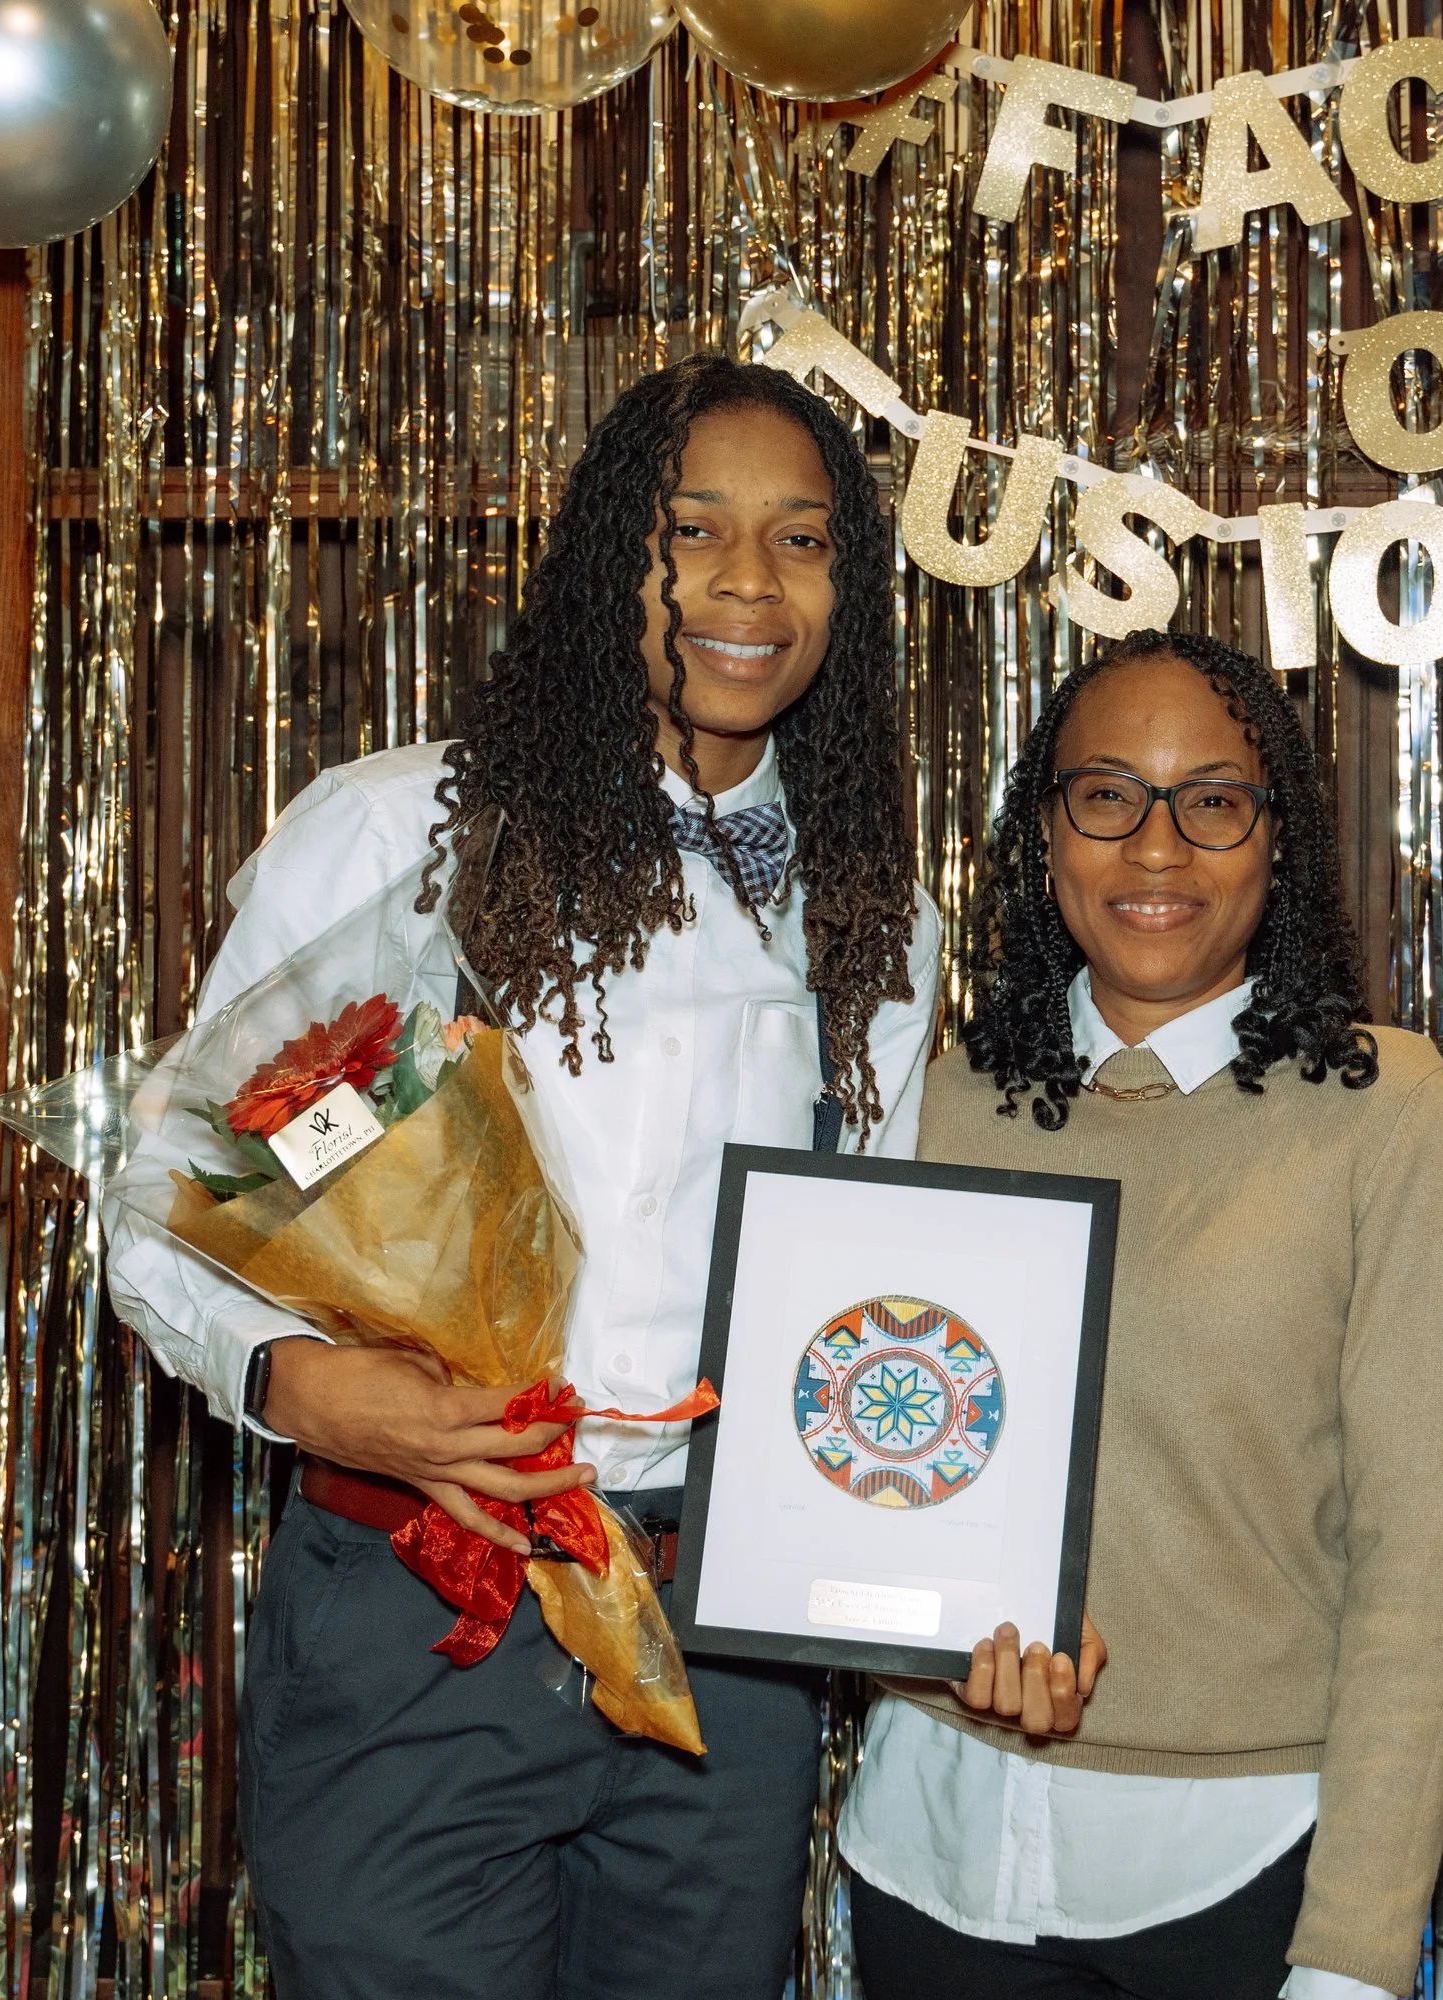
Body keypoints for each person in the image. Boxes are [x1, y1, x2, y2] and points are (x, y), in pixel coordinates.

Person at [103, 354, 942, 1998]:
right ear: (599, 558)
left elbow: (876, 1295)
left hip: (726, 1640)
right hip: (423, 1598)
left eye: (801, 539)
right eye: (689, 530)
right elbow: (170, 1204)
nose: (745, 584)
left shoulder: (873, 915)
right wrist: (304, 1385)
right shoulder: (406, 835)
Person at [837, 630, 1443, 2000]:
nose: (1156, 849)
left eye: (1212, 800)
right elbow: (863, 1476)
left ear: (1277, 840)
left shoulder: (1386, 1108)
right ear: (1045, 834)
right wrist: (924, 1657)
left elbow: (1424, 1558)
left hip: (1235, 1876)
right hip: (927, 1858)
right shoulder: (941, 1096)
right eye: (1107, 796)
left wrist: (1355, 1952)